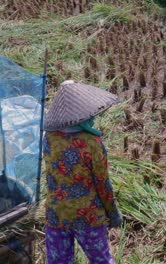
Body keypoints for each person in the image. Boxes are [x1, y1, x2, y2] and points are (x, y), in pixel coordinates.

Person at [43, 80, 122, 264]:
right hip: (88, 216)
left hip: (57, 215)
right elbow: (103, 184)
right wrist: (113, 212)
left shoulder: (49, 138)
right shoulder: (91, 143)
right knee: (101, 260)